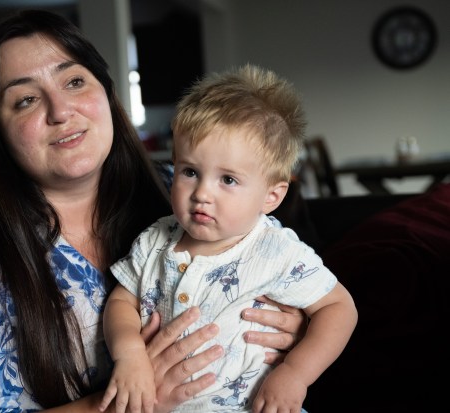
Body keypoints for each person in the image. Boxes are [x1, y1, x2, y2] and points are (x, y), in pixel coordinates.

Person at [0, 10, 306, 413]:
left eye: (74, 81)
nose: (60, 111)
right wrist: (124, 405)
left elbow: (291, 277)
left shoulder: (183, 189)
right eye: (25, 100)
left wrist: (295, 330)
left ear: (107, 92)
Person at [100, 65, 358, 413]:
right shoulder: (155, 240)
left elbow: (339, 309)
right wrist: (130, 355)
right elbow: (120, 303)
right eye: (189, 172)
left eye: (228, 180)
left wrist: (296, 373)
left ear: (271, 196)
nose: (202, 193)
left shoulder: (277, 251)